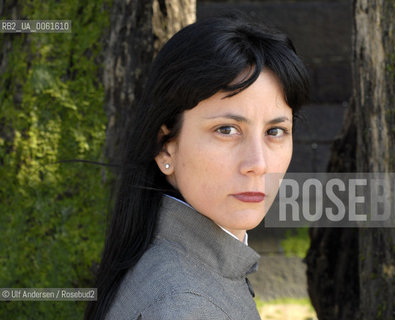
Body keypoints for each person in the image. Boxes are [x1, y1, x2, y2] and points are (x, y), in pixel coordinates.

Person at [84, 13, 309, 320]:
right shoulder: (184, 306)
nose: (258, 164)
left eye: (274, 132)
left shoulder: (177, 265)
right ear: (166, 146)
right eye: (227, 130)